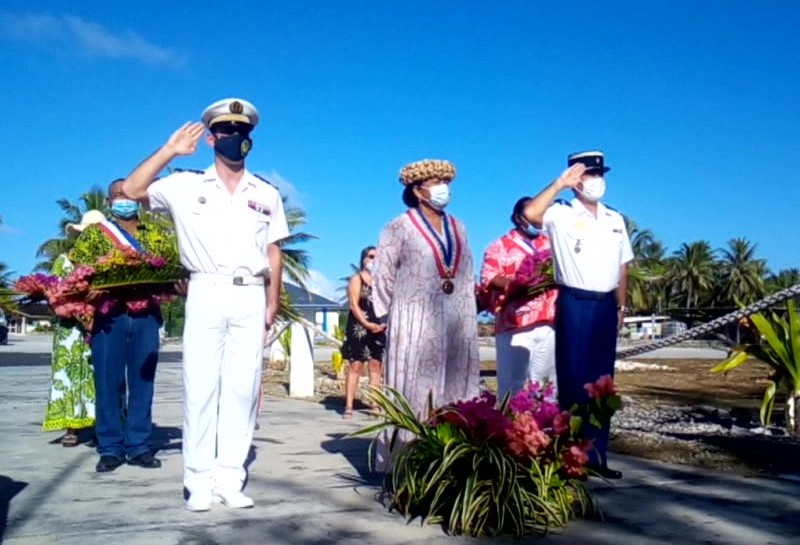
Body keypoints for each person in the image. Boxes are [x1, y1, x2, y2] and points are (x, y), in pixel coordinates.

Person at [119, 98, 289, 511]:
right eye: (227, 130)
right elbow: (132, 190)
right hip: (206, 289)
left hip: (250, 294)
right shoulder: (185, 184)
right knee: (200, 389)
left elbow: (274, 250)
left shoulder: (266, 193)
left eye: (242, 131)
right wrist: (169, 151)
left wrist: (272, 301)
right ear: (212, 138)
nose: (236, 137)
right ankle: (198, 480)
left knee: (242, 391)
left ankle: (230, 478)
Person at [522, 150, 633, 479]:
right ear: (576, 180)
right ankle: (571, 459)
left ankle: (597, 457)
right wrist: (559, 184)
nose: (596, 181)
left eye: (599, 175)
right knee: (574, 381)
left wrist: (621, 306)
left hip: (605, 305)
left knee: (602, 386)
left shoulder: (614, 219)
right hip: (575, 302)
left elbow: (622, 266)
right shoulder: (561, 213)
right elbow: (530, 213)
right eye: (588, 175)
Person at [372, 159, 480, 467]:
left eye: (446, 182)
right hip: (414, 319)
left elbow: (467, 270)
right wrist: (392, 316)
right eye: (435, 183)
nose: (443, 188)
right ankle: (407, 462)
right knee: (415, 388)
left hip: (457, 319)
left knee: (456, 389)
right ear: (418, 191)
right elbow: (383, 275)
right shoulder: (398, 227)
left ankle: (454, 461)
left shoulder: (459, 227)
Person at [69, 182, 164, 473]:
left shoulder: (155, 234)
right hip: (109, 316)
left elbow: (167, 265)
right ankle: (110, 447)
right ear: (109, 203)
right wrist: (89, 288)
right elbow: (80, 271)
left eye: (128, 194)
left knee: (143, 382)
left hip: (145, 315)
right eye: (117, 196)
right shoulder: (95, 235)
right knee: (107, 383)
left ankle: (138, 445)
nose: (124, 199)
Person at [479, 197, 558, 401]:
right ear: (518, 218)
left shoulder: (551, 244)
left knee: (545, 384)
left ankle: (545, 419)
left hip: (549, 321)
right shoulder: (499, 246)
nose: (539, 219)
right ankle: (510, 421)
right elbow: (488, 277)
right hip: (514, 324)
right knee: (513, 385)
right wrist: (516, 285)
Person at [41, 210, 105, 446]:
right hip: (69, 329)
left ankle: (103, 425)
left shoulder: (108, 263)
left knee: (100, 374)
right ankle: (71, 427)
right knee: (67, 375)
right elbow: (53, 294)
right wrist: (74, 309)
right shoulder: (64, 262)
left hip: (99, 325)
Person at [341, 245, 386, 419]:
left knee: (376, 366)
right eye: (371, 256)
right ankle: (349, 406)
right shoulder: (356, 279)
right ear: (364, 259)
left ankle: (375, 405)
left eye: (377, 257)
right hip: (359, 328)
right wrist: (367, 323)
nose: (374, 260)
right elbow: (354, 305)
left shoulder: (383, 282)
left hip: (379, 328)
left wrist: (384, 323)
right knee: (356, 365)